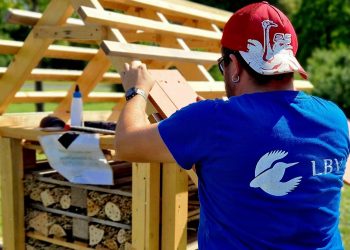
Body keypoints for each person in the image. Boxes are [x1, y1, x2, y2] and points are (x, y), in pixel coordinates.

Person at [116, 2, 350, 249]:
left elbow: (125, 144)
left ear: (235, 64)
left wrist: (137, 90)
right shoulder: (334, 118)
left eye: (223, 64)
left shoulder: (211, 121)